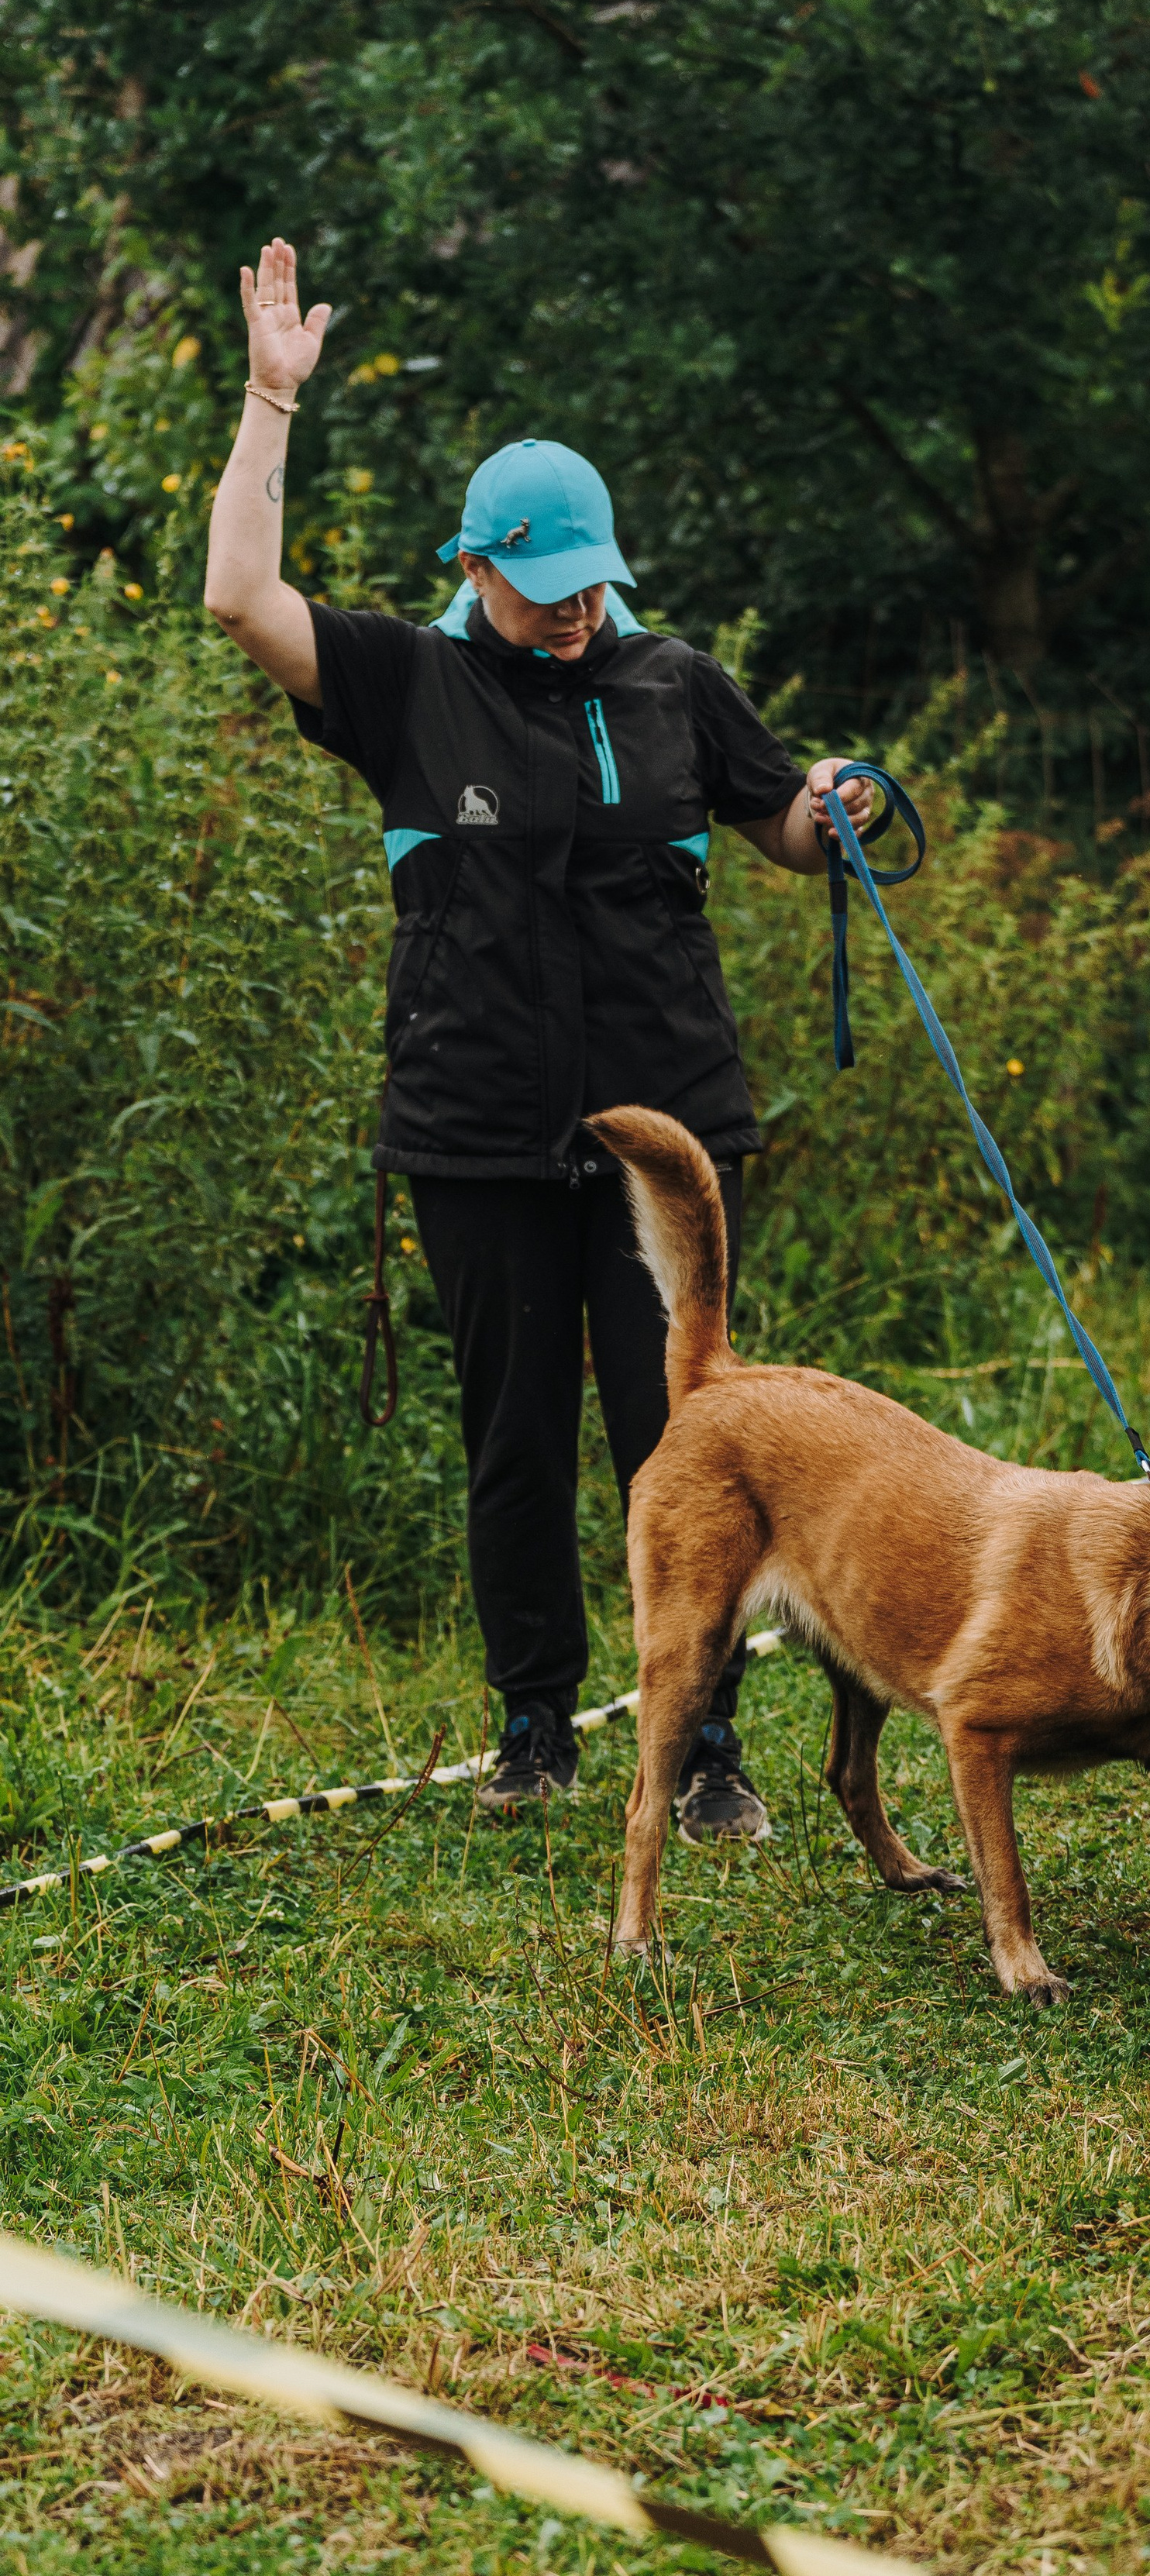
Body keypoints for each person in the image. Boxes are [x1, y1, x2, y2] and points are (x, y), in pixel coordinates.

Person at [203, 238, 875, 1829]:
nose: (578, 609)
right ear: (480, 565)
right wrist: (268, 398)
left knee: (691, 1440)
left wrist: (827, 808)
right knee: (513, 1437)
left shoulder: (671, 680)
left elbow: (775, 819)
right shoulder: (403, 683)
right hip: (481, 1132)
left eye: (594, 582)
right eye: (548, 584)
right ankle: (530, 1726)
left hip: (668, 1134)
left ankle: (701, 1742)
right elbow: (238, 591)